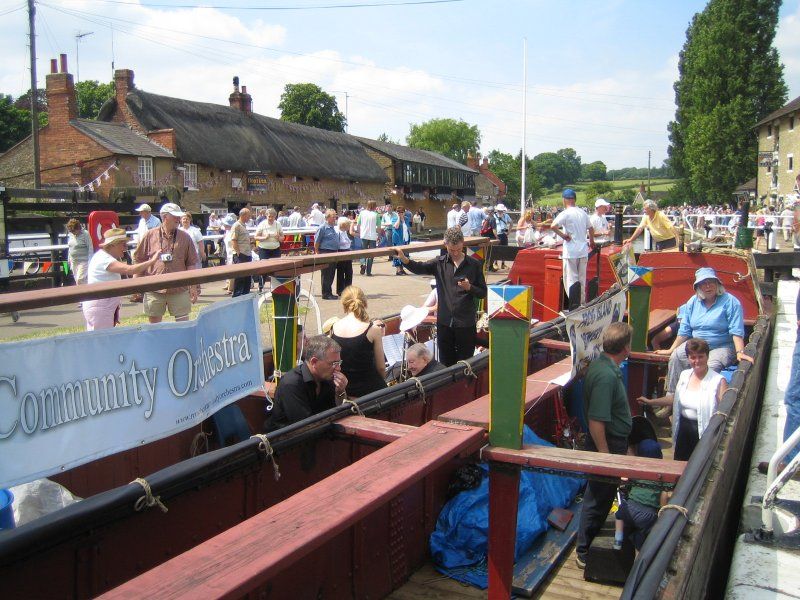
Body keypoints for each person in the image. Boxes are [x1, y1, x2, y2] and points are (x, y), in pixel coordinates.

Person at [576, 322, 633, 569]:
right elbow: (597, 420)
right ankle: (584, 551)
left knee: (602, 495)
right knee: (598, 497)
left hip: (611, 442)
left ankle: (587, 543)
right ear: (626, 347)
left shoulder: (603, 367)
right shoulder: (606, 376)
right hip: (607, 444)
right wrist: (605, 456)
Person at [393, 227, 487, 366]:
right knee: (446, 364)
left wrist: (470, 287)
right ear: (445, 244)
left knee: (466, 363)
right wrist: (405, 260)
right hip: (445, 324)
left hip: (465, 324)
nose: (455, 253)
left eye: (458, 249)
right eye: (451, 250)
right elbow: (420, 267)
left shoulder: (474, 265)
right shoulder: (439, 263)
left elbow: (483, 292)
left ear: (463, 244)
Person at [655, 267, 750, 401]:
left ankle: (701, 400)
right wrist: (671, 349)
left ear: (717, 284)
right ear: (698, 287)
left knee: (710, 365)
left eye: (711, 281)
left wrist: (740, 351)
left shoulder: (731, 302)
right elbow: (684, 330)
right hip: (697, 344)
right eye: (703, 283)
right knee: (677, 356)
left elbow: (736, 330)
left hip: (722, 347)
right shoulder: (693, 302)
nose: (708, 286)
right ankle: (672, 398)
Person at [640, 338, 728, 460]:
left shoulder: (718, 381)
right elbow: (676, 399)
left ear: (707, 357)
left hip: (704, 433)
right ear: (688, 358)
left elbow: (725, 412)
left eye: (700, 357)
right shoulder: (684, 375)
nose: (696, 361)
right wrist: (651, 402)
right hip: (683, 430)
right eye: (693, 357)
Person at [264, 335, 349, 431]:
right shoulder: (291, 385)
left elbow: (341, 410)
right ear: (314, 362)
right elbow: (305, 425)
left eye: (339, 363)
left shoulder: (327, 378)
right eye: (333, 363)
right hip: (286, 441)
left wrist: (340, 392)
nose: (338, 368)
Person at [133, 203, 199, 323]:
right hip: (154, 289)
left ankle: (181, 343)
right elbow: (139, 259)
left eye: (179, 216)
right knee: (155, 329)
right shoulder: (150, 235)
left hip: (179, 289)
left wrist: (193, 286)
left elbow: (191, 263)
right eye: (175, 216)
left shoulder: (185, 237)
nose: (178, 219)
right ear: (164, 217)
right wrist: (136, 285)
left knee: (183, 327)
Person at [82, 229, 158, 330]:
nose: (126, 248)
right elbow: (130, 270)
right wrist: (152, 261)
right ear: (113, 244)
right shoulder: (104, 259)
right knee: (102, 340)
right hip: (100, 307)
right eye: (123, 244)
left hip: (103, 306)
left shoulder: (103, 257)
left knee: (102, 340)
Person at [329, 286, 387, 398]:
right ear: (364, 302)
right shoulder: (373, 329)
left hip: (345, 389)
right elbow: (381, 367)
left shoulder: (334, 327)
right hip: (370, 391)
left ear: (344, 304)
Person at [613, 439, 669, 551]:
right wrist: (662, 511)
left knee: (619, 517)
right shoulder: (665, 473)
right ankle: (639, 547)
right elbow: (665, 494)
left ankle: (618, 542)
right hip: (647, 514)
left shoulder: (638, 469)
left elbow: (627, 485)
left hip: (628, 508)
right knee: (646, 533)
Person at [550, 188, 595, 306]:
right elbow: (590, 228)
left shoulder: (565, 213)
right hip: (583, 251)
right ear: (574, 199)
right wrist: (592, 241)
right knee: (582, 279)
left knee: (571, 279)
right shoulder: (583, 213)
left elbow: (553, 226)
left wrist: (563, 236)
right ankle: (582, 303)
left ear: (564, 200)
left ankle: (574, 305)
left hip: (571, 251)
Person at [253, 208, 283, 292]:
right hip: (264, 249)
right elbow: (256, 237)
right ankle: (260, 287)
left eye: (273, 217)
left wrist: (279, 237)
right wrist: (264, 237)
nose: (271, 218)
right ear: (266, 216)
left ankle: (276, 288)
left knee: (276, 269)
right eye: (269, 216)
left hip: (275, 249)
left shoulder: (278, 224)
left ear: (275, 217)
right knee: (264, 269)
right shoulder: (262, 224)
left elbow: (282, 238)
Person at [314, 209, 340, 300]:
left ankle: (329, 292)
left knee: (331, 273)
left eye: (335, 217)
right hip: (325, 252)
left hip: (333, 252)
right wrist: (317, 252)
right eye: (333, 217)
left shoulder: (332, 227)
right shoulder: (322, 228)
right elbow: (317, 241)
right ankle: (326, 293)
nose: (335, 219)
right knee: (326, 274)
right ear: (328, 217)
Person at [230, 208, 253, 297]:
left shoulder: (244, 226)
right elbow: (234, 240)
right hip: (241, 255)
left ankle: (245, 295)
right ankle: (237, 296)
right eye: (248, 215)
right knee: (240, 278)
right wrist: (238, 253)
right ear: (243, 215)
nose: (249, 218)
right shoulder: (236, 225)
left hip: (247, 254)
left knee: (247, 277)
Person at [66, 218, 93, 286]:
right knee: (77, 281)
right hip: (74, 261)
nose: (72, 232)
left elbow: (90, 248)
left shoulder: (85, 234)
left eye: (73, 231)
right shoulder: (71, 235)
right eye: (71, 231)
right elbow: (70, 248)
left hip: (83, 261)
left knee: (80, 279)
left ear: (78, 228)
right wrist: (69, 259)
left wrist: (90, 261)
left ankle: (85, 294)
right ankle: (83, 294)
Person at [356, 200, 378, 276]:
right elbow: (378, 227)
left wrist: (359, 233)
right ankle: (368, 271)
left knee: (363, 252)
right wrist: (379, 235)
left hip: (364, 235)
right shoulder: (376, 214)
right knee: (371, 254)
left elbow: (358, 224)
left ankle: (363, 264)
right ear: (374, 206)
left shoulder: (362, 213)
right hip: (372, 236)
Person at [335, 217, 354, 296]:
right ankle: (340, 290)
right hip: (341, 252)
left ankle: (348, 289)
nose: (348, 226)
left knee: (349, 271)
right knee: (341, 272)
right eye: (347, 225)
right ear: (343, 225)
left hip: (347, 251)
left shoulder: (344, 231)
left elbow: (346, 241)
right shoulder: (337, 231)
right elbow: (339, 242)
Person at [391, 205, 410, 275]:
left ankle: (401, 269)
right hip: (397, 240)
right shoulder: (394, 218)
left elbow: (407, 227)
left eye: (402, 212)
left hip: (405, 239)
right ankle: (398, 269)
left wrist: (403, 220)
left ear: (404, 212)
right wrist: (399, 218)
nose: (400, 213)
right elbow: (396, 226)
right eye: (398, 212)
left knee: (404, 254)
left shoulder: (406, 219)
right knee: (397, 254)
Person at [495, 204, 512, 269]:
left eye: (501, 210)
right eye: (499, 210)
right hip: (497, 234)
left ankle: (503, 263)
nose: (500, 212)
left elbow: (511, 223)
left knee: (504, 249)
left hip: (504, 234)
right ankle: (495, 263)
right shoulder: (494, 216)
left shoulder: (506, 216)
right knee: (496, 249)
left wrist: (509, 231)